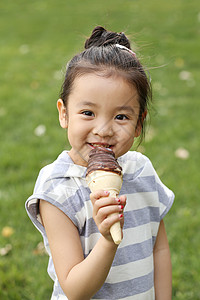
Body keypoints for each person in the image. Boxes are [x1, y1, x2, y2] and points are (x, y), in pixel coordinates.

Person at [26, 26, 174, 300]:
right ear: (64, 114)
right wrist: (107, 240)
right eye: (88, 112)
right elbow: (74, 289)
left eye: (121, 117)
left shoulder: (142, 171)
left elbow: (159, 249)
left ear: (139, 123)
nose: (104, 130)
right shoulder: (58, 188)